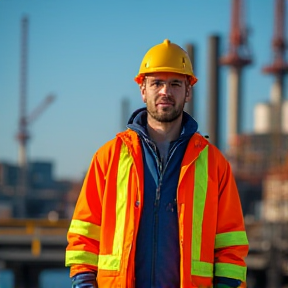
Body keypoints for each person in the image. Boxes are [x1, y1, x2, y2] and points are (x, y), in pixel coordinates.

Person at [65, 39, 249, 288]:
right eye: (157, 83)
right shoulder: (109, 158)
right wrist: (84, 283)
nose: (165, 91)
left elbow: (230, 245)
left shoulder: (214, 164)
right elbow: (84, 236)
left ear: (188, 91)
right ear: (143, 90)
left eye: (175, 84)